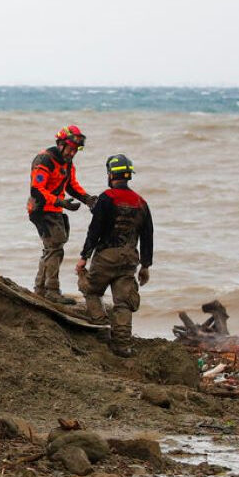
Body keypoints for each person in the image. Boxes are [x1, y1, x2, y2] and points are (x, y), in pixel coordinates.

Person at [75, 153, 153, 357]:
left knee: (91, 290)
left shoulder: (106, 198)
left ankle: (101, 330)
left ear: (110, 174)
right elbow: (148, 236)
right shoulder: (141, 202)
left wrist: (84, 256)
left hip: (106, 256)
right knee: (124, 302)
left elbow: (95, 230)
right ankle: (122, 345)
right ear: (128, 176)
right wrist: (145, 266)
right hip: (129, 259)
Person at [28, 124, 96, 304]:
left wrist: (87, 199)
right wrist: (60, 202)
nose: (72, 153)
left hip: (54, 209)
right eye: (71, 149)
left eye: (76, 150)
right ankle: (51, 290)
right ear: (60, 143)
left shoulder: (67, 162)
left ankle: (40, 289)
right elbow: (36, 189)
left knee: (52, 248)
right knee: (55, 248)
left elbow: (71, 185)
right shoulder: (44, 160)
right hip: (41, 210)